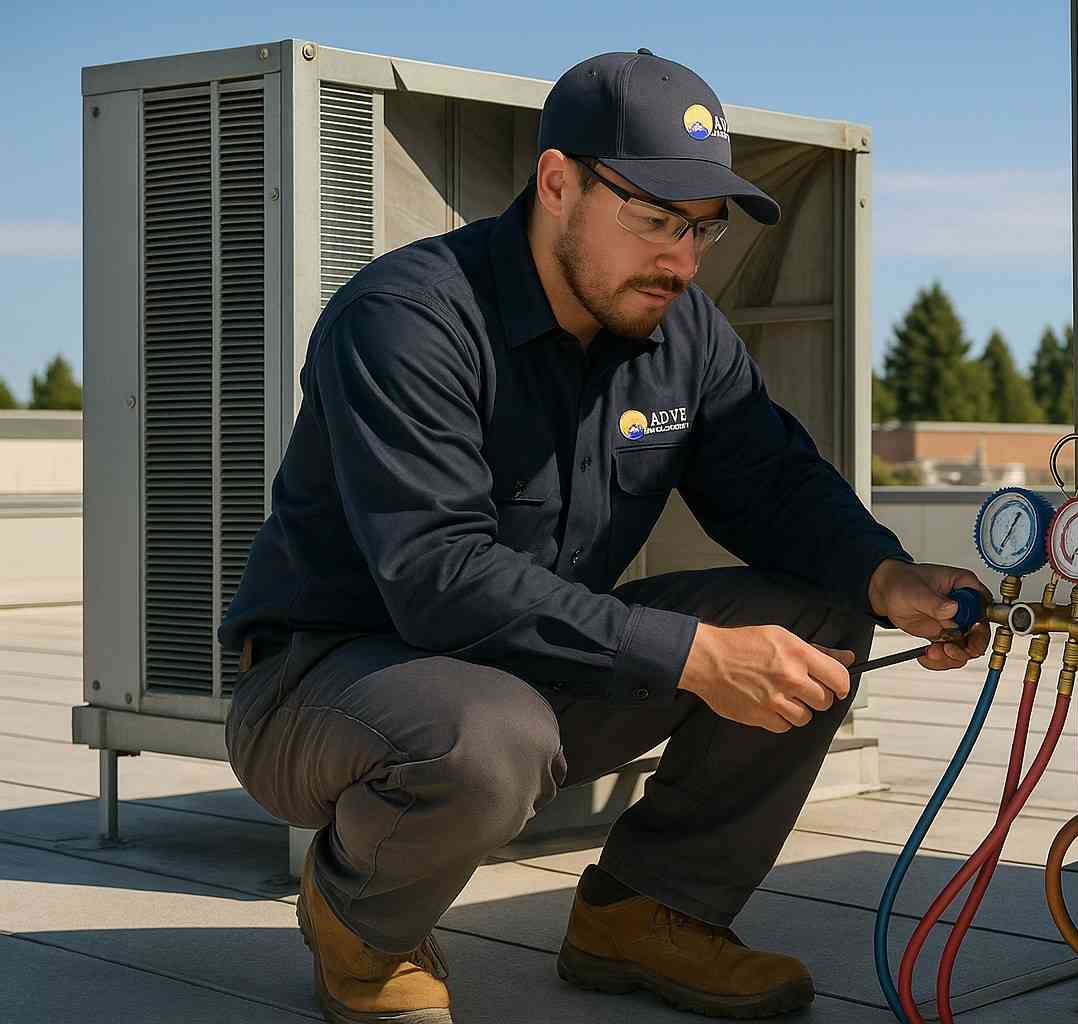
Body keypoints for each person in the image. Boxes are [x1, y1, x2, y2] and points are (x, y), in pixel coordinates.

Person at [220, 48, 992, 1023]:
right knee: (490, 734)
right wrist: (694, 654)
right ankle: (361, 926)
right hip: (326, 685)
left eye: (701, 230)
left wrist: (890, 581)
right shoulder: (407, 319)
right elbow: (438, 576)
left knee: (818, 617)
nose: (681, 258)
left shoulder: (681, 331)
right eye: (656, 219)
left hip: (527, 669)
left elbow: (775, 486)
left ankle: (646, 910)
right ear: (557, 183)